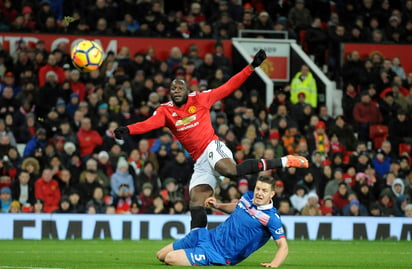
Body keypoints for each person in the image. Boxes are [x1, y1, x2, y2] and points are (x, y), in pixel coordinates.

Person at [115, 50, 309, 230]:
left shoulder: (200, 99)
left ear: (187, 89)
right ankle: (198, 241)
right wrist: (128, 129)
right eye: (172, 88)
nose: (176, 90)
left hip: (212, 147)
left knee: (231, 171)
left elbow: (228, 86)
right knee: (196, 201)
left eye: (180, 87)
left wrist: (251, 67)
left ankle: (285, 160)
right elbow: (148, 123)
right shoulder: (166, 111)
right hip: (200, 161)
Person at [156, 175, 288, 267]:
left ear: (271, 194)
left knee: (170, 258)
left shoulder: (271, 218)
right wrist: (218, 206)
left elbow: (283, 246)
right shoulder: (247, 197)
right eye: (258, 189)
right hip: (207, 235)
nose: (259, 193)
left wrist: (274, 264)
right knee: (161, 255)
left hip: (218, 254)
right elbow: (237, 207)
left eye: (264, 191)